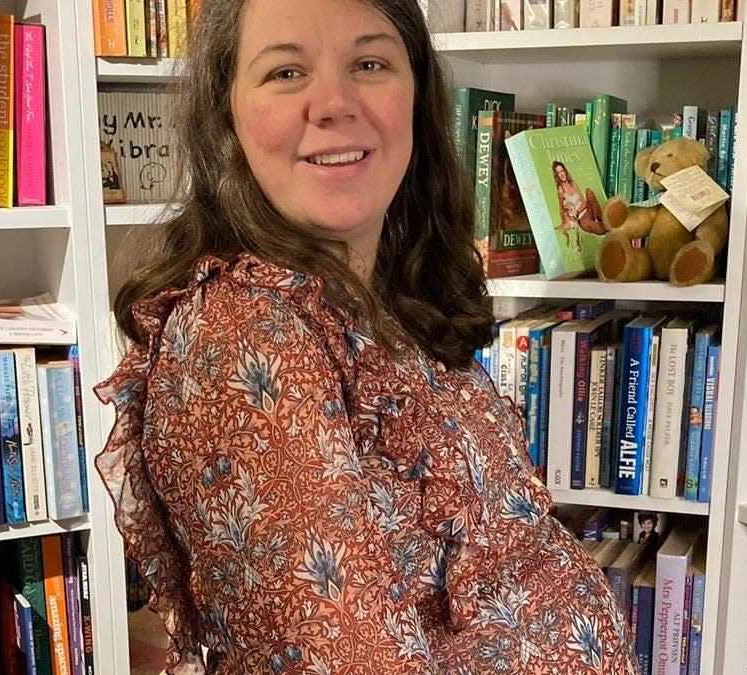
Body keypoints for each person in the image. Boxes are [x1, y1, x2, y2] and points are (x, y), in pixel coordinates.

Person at [95, 0, 638, 673]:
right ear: (226, 117)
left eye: (370, 62)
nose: (334, 102)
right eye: (286, 71)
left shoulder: (388, 296)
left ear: (416, 92)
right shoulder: (243, 334)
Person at [552, 160, 605, 251]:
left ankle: (602, 219)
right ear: (556, 176)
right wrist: (564, 221)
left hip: (588, 211)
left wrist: (577, 211)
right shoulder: (560, 191)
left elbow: (584, 203)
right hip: (581, 219)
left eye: (562, 171)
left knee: (589, 192)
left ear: (565, 171)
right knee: (601, 229)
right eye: (558, 173)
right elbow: (561, 208)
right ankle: (603, 223)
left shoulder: (573, 183)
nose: (561, 174)